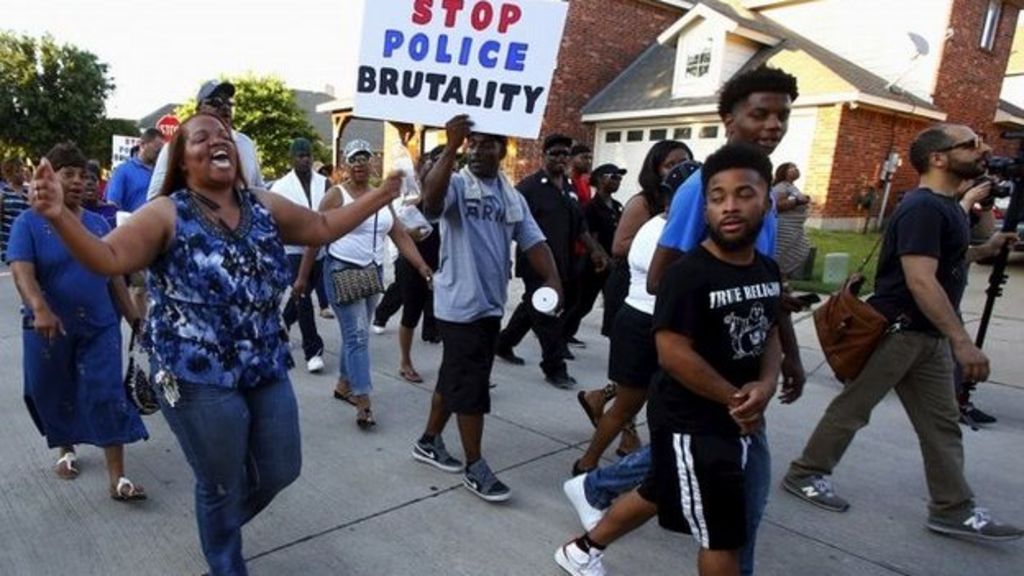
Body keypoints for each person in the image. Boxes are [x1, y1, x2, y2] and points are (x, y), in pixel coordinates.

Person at [28, 113, 402, 574]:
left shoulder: (263, 204)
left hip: (263, 361)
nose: (217, 142)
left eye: (223, 136)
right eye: (201, 138)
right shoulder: (168, 211)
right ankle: (226, 561)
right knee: (220, 481)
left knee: (282, 467)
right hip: (194, 374)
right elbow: (108, 258)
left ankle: (219, 522)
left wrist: (382, 196)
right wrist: (60, 216)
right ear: (182, 161)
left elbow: (322, 227)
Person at [562, 67, 804, 576]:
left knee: (667, 484)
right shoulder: (704, 188)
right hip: (707, 388)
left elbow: (766, 296)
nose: (772, 124)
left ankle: (587, 526)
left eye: (782, 114)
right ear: (729, 117)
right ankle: (593, 498)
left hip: (739, 380)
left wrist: (783, 362)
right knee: (735, 514)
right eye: (759, 113)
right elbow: (664, 280)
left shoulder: (758, 193)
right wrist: (709, 295)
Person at [783, 124, 1023, 542]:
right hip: (900, 331)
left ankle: (953, 507)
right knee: (853, 409)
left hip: (927, 337)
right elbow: (921, 280)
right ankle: (805, 473)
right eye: (971, 144)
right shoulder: (923, 208)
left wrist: (982, 251)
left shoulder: (948, 206)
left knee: (942, 424)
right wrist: (963, 342)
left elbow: (944, 259)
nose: (983, 149)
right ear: (939, 157)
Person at [412, 114, 560, 502]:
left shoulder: (511, 196)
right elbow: (429, 202)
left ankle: (428, 441)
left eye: (485, 143)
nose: (477, 149)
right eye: (472, 143)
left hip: (490, 304)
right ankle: (475, 466)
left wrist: (554, 279)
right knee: (472, 387)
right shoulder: (458, 184)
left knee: (453, 377)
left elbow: (534, 241)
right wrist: (450, 147)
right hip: (458, 304)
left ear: (503, 149)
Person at [10, 142, 148, 501]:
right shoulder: (28, 223)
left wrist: (134, 316)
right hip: (49, 327)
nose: (76, 182)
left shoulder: (100, 224)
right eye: (66, 174)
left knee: (106, 393)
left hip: (99, 325)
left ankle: (117, 477)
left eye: (81, 176)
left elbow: (114, 276)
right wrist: (39, 308)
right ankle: (66, 450)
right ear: (50, 178)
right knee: (51, 389)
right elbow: (22, 271)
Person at [305, 139, 431, 429]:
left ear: (373, 162)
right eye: (354, 158)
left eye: (365, 157)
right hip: (341, 270)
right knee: (358, 337)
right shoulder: (336, 196)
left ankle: (344, 385)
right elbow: (315, 234)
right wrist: (303, 276)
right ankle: (363, 401)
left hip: (371, 272)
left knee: (357, 336)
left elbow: (398, 233)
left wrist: (421, 265)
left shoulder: (380, 196)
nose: (360, 163)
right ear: (346, 165)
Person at [496, 134, 609, 388]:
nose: (560, 158)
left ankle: (502, 344)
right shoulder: (528, 188)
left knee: (531, 308)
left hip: (564, 263)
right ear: (543, 156)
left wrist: (595, 251)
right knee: (548, 317)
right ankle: (555, 368)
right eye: (554, 153)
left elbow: (580, 225)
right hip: (537, 264)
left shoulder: (569, 188)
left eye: (564, 154)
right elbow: (508, 226)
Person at [146, 80, 264, 200]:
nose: (224, 107)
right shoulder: (179, 144)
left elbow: (260, 191)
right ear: (199, 109)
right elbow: (155, 197)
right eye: (215, 102)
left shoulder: (246, 143)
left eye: (229, 102)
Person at [270, 138, 328, 373]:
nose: (305, 159)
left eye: (308, 155)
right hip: (293, 251)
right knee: (303, 297)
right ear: (291, 159)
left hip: (320, 250)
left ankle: (283, 322)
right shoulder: (280, 187)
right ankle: (312, 350)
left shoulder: (324, 183)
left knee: (301, 293)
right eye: (299, 156)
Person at [563, 164, 624, 348]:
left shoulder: (616, 206)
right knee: (581, 303)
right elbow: (591, 237)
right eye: (613, 176)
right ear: (598, 180)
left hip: (612, 263)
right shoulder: (591, 207)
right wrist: (604, 258)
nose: (617, 180)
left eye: (619, 178)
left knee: (613, 301)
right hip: (594, 263)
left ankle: (615, 338)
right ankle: (561, 336)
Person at [106, 128, 163, 213]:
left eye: (162, 151)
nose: (160, 154)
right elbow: (112, 204)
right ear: (143, 144)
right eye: (157, 151)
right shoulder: (122, 171)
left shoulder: (161, 172)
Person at [771, 162, 812, 278]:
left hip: (795, 228)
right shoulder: (781, 187)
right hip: (785, 227)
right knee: (780, 253)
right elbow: (777, 205)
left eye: (796, 167)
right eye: (792, 168)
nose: (796, 169)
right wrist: (798, 201)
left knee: (800, 249)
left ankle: (782, 276)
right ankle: (777, 277)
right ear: (783, 172)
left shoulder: (791, 186)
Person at [2, 157, 31, 264]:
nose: (21, 174)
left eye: (22, 170)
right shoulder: (3, 192)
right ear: (9, 173)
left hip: (27, 239)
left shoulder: (29, 191)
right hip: (9, 241)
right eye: (17, 171)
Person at [82, 161, 119, 230]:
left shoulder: (112, 212)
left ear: (99, 184)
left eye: (93, 179)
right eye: (85, 178)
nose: (90, 182)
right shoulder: (71, 213)